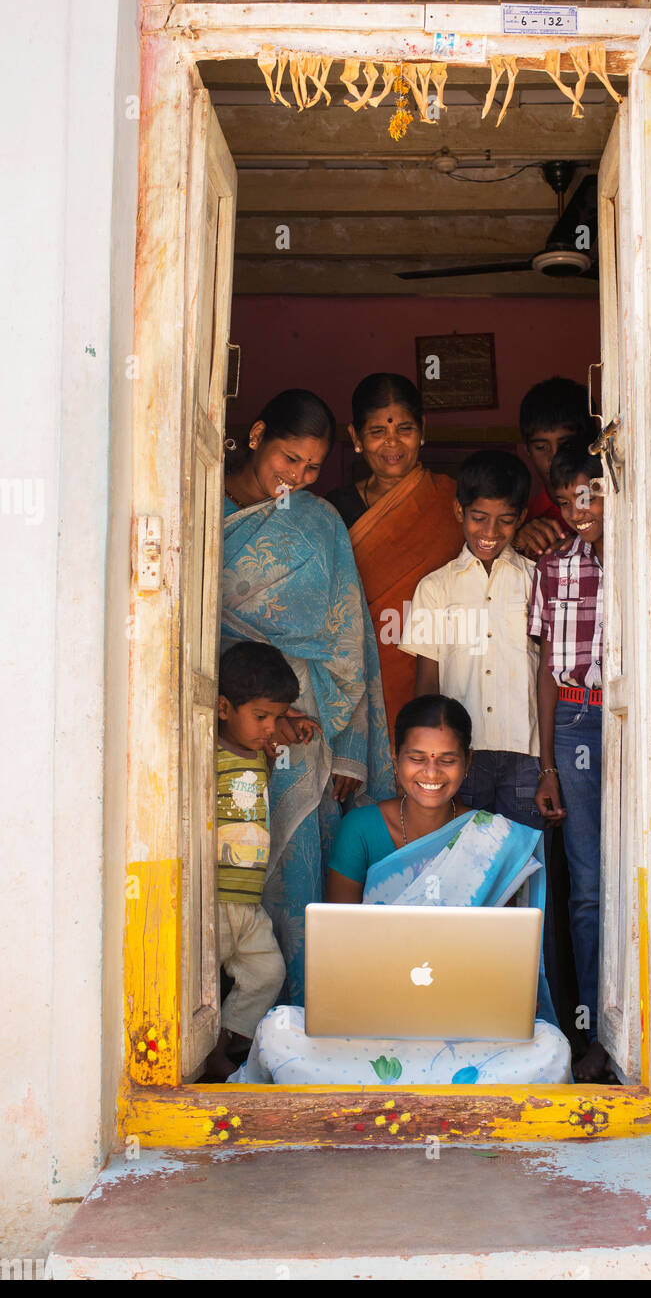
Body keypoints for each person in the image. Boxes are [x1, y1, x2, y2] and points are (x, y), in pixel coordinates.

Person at [229, 696, 570, 1086]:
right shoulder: (360, 827)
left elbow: (502, 962)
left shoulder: (494, 838)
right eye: (417, 757)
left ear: (468, 761)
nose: (431, 772)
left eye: (447, 759)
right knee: (277, 1030)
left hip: (463, 1029)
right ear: (395, 757)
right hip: (370, 1024)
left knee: (552, 1047)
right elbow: (339, 947)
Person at [222, 388, 394, 1004]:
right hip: (227, 720)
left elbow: (351, 642)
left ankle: (294, 1014)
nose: (296, 477)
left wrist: (350, 748)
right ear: (258, 436)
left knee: (296, 867)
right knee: (224, 870)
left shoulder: (320, 523)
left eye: (312, 468)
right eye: (288, 459)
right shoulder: (199, 508)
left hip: (307, 728)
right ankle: (220, 1027)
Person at [399, 449, 542, 831]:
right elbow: (427, 681)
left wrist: (550, 766)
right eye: (479, 518)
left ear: (521, 519)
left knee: (523, 860)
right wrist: (426, 752)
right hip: (460, 755)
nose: (490, 533)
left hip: (526, 752)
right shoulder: (434, 587)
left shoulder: (538, 579)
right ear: (459, 511)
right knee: (461, 859)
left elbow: (548, 673)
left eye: (505, 521)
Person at [528, 439, 608, 1083]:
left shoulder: (650, 558)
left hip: (643, 720)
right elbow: (546, 675)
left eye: (591, 494)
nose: (579, 511)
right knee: (585, 887)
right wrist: (548, 765)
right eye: (565, 500)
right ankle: (591, 1032)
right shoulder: (554, 568)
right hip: (579, 717)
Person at [326, 373, 464, 736]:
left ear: (423, 430)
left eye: (404, 429)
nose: (392, 443)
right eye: (376, 432)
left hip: (441, 669)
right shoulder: (333, 512)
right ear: (356, 438)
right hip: (359, 675)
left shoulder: (454, 501)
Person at [204, 641, 297, 1080]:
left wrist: (285, 730)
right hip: (213, 898)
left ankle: (219, 1044)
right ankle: (200, 1055)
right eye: (261, 716)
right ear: (223, 708)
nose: (270, 727)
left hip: (247, 900)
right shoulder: (206, 754)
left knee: (268, 971)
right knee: (198, 986)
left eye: (276, 717)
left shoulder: (257, 754)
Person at [513, 376, 597, 561]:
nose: (554, 458)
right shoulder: (526, 519)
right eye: (541, 448)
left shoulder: (612, 504)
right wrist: (516, 543)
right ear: (527, 449)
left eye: (566, 444)